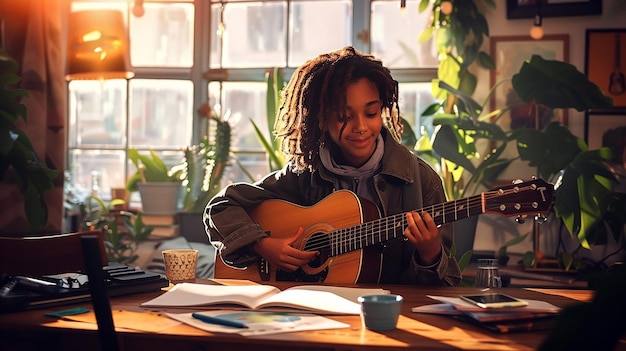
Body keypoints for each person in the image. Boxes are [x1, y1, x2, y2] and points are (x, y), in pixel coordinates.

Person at [204, 46, 462, 286]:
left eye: (371, 113)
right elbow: (220, 208)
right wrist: (261, 244)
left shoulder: (419, 181)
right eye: (343, 117)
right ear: (321, 120)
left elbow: (444, 285)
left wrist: (430, 254)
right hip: (309, 316)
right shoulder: (305, 173)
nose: (360, 127)